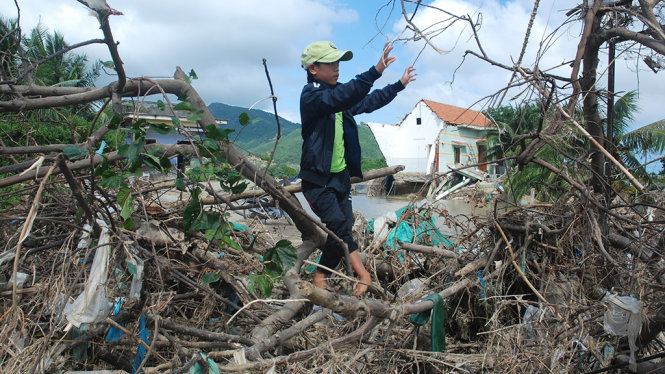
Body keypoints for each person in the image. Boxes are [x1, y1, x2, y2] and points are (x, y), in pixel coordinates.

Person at [299, 40, 416, 296]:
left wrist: (399, 85)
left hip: (340, 178)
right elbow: (344, 95)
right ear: (313, 69)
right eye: (330, 63)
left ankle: (361, 276)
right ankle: (322, 275)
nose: (336, 68)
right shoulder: (313, 97)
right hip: (318, 180)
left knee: (345, 224)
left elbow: (368, 101)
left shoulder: (338, 97)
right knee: (339, 225)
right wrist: (376, 70)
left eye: (338, 62)